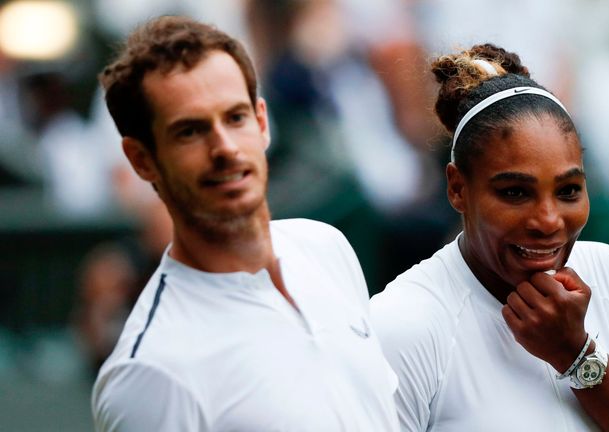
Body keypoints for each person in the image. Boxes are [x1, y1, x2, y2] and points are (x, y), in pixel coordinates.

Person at [370, 43, 609, 431]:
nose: (549, 220)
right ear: (457, 189)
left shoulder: (608, 274)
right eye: (515, 192)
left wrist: (577, 355)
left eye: (568, 191)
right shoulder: (404, 325)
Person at [90, 16, 398, 431]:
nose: (225, 148)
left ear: (262, 122)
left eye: (235, 118)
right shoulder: (151, 372)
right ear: (142, 159)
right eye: (190, 131)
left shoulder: (326, 248)